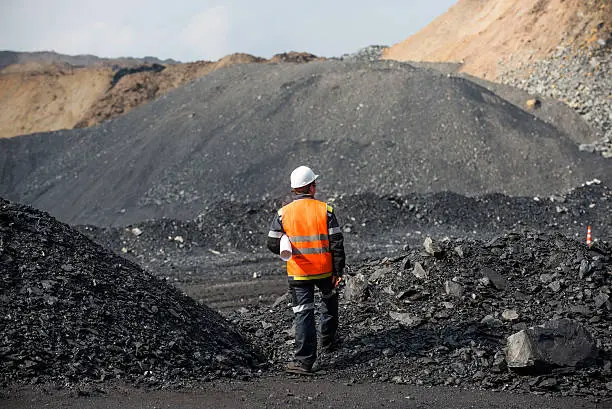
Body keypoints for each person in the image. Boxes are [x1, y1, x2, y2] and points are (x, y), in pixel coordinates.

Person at [267, 165, 345, 375]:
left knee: (303, 313)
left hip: (299, 273)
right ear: (311, 188)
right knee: (330, 301)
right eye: (314, 184)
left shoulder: (283, 214)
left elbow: (272, 243)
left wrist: (286, 243)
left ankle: (304, 362)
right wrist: (338, 271)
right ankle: (328, 342)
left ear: (295, 190)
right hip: (324, 270)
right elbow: (337, 243)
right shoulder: (325, 210)